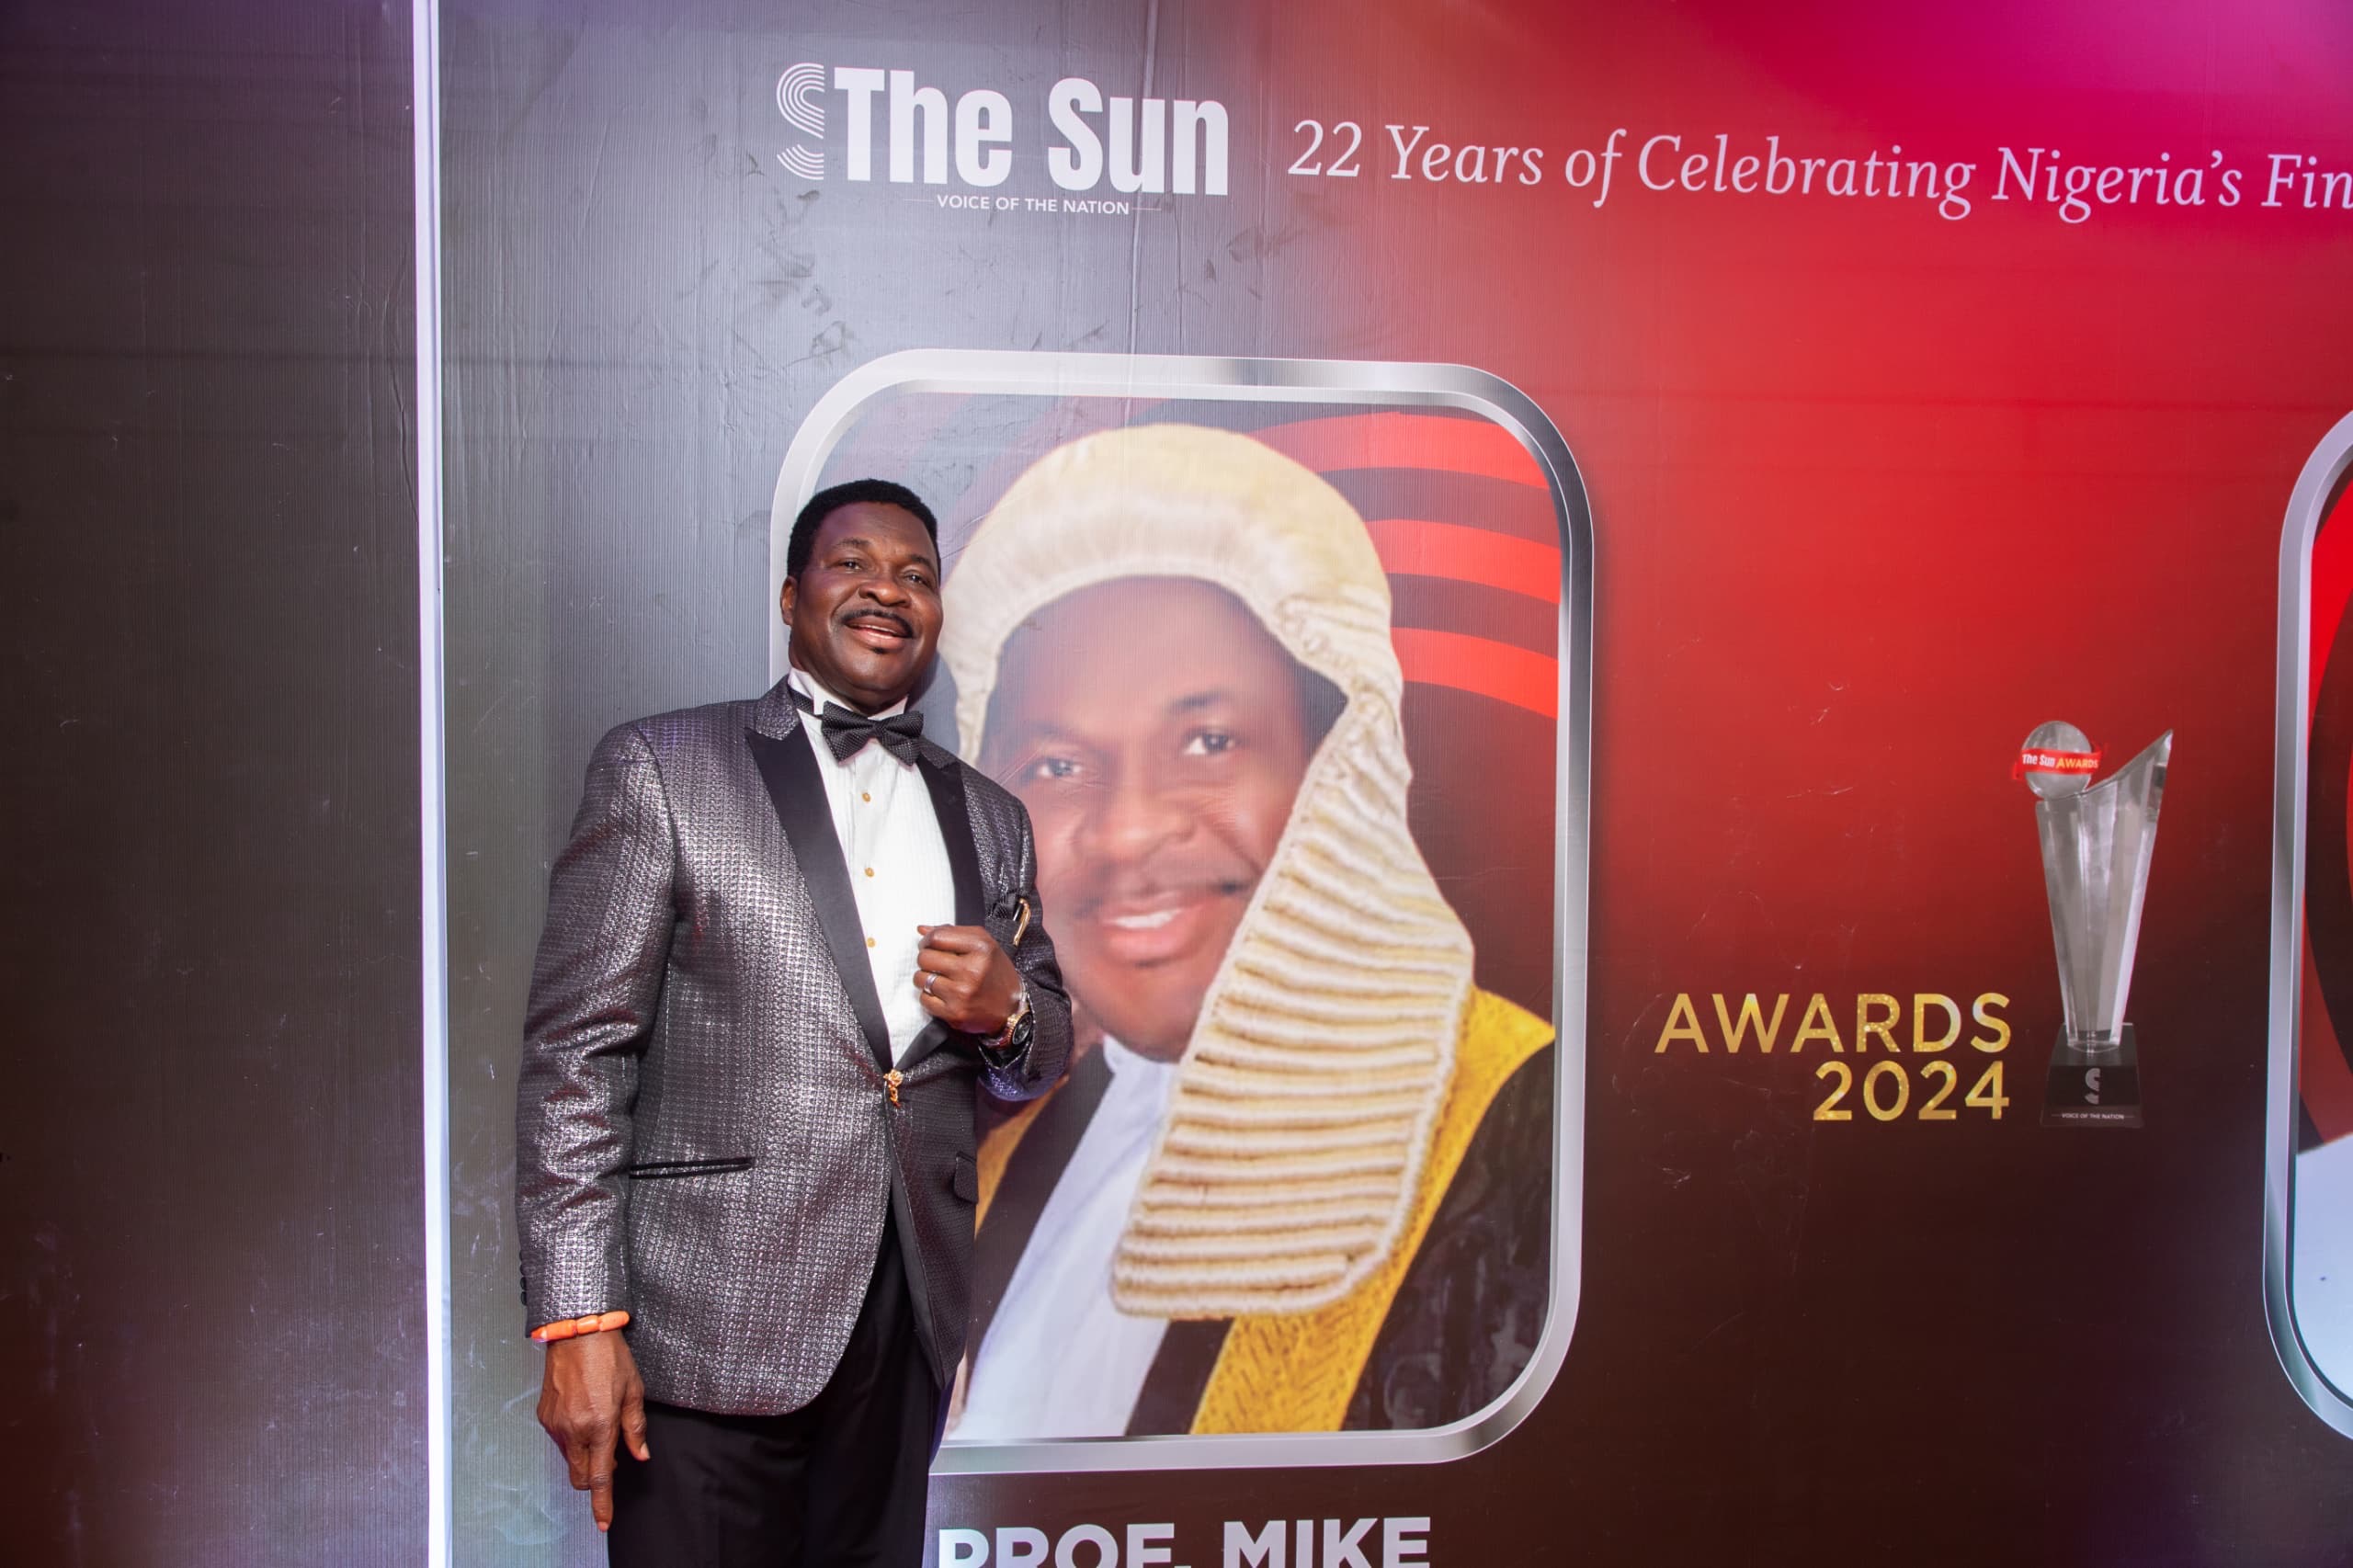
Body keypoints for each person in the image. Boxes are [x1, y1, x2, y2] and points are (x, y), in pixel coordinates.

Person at [938, 425, 1553, 1440]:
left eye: (1208, 741)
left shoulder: (1530, 1136)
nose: (1128, 829)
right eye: (1057, 765)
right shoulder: (1007, 1155)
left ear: (1336, 768)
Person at [515, 478, 1071, 1564]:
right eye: (853, 563)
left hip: (905, 1321)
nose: (887, 590)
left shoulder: (992, 816)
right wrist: (581, 1318)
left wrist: (1009, 1010)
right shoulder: (663, 768)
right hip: (703, 1321)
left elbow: (1039, 1054)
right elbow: (579, 1053)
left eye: (917, 574)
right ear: (789, 595)